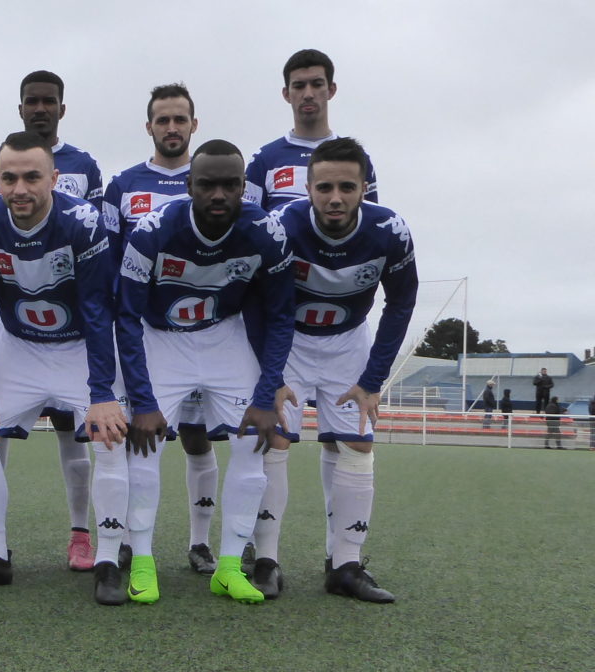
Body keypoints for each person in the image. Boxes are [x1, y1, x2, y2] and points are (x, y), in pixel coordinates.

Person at [0, 131, 129, 605]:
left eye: (32, 177)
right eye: (9, 178)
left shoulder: (83, 221)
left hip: (77, 347)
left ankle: (109, 559)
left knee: (110, 435)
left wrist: (101, 391)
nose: (20, 189)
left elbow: (97, 308)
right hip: (20, 345)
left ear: (54, 178)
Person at [116, 140, 295, 605]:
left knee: (254, 443)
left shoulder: (267, 233)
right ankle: (140, 561)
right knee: (142, 445)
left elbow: (279, 317)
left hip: (224, 336)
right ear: (189, 186)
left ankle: (230, 566)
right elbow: (126, 314)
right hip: (161, 339)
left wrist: (265, 392)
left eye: (230, 184)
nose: (219, 194)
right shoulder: (152, 230)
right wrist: (142, 398)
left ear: (243, 187)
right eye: (207, 184)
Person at [265, 137, 417, 603]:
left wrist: (372, 381)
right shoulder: (279, 227)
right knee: (269, 439)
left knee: (356, 444)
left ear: (364, 188)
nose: (335, 197)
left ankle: (346, 564)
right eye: (325, 186)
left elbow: (402, 301)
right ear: (307, 188)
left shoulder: (390, 230)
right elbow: (257, 300)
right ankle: (266, 560)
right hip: (287, 340)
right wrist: (269, 373)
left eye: (347, 187)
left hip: (348, 341)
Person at [0, 70, 105, 571]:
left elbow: (91, 274)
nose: (40, 108)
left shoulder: (83, 167)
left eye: (49, 101)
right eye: (32, 101)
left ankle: (85, 536)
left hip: (73, 336)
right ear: (20, 107)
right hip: (18, 331)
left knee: (81, 432)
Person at [101, 83, 220, 575]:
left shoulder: (216, 180)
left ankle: (200, 542)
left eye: (180, 119)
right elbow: (108, 259)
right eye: (162, 120)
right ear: (148, 127)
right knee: (139, 434)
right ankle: (130, 540)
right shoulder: (122, 185)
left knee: (197, 437)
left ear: (195, 125)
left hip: (207, 331)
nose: (172, 128)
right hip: (147, 331)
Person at [244, 49, 378, 211]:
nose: (308, 94)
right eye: (299, 86)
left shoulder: (357, 157)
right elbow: (251, 224)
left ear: (331, 90)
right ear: (286, 94)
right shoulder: (263, 160)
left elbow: (370, 225)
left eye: (317, 84)